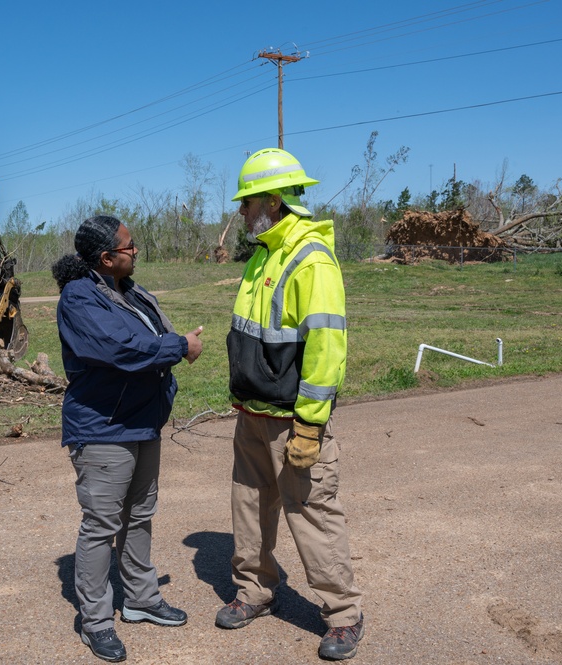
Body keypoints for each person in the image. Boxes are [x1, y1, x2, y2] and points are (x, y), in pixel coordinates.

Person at [216, 148, 364, 661]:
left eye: (248, 202)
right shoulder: (262, 255)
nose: (241, 213)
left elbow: (327, 348)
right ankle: (255, 589)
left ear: (273, 202)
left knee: (313, 511)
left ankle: (343, 615)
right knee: (249, 507)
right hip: (252, 414)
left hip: (293, 423)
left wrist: (310, 424)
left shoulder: (312, 259)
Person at [52, 215, 204, 663]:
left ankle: (141, 599)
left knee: (139, 516)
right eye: (129, 247)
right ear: (106, 257)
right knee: (102, 526)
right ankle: (96, 621)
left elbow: (148, 338)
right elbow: (119, 349)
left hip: (141, 423)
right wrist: (179, 347)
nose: (135, 252)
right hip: (103, 428)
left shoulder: (128, 291)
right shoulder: (80, 298)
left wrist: (171, 346)